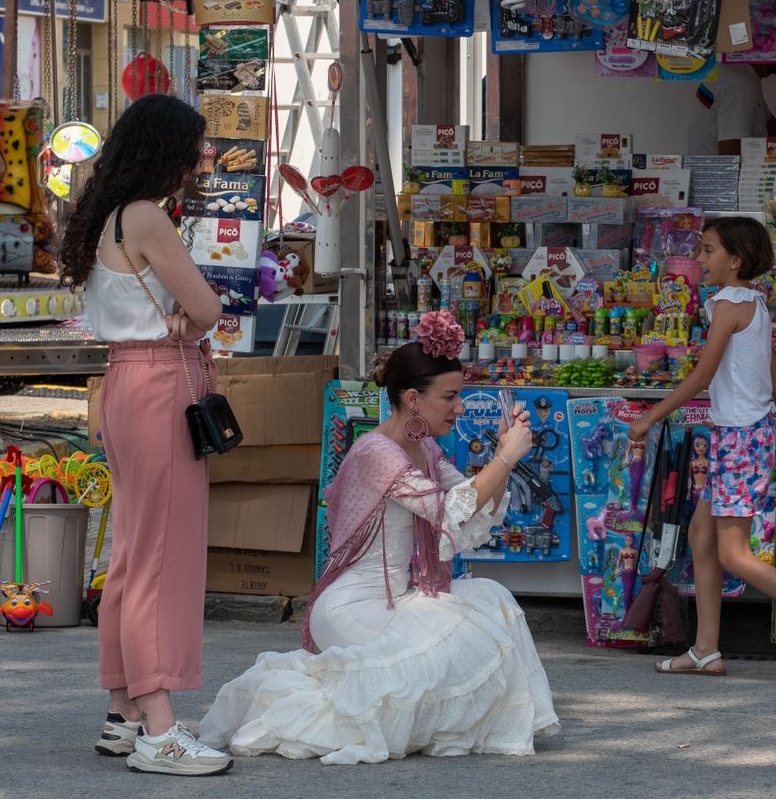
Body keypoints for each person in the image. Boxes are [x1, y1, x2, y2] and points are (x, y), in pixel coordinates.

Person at [198, 315, 559, 764]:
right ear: (412, 399)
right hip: (353, 606)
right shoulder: (376, 452)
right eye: (450, 396)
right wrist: (505, 457)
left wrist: (504, 458)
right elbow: (449, 510)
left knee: (490, 601)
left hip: (397, 599)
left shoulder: (423, 446)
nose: (460, 408)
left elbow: (468, 512)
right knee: (420, 670)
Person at [57, 95, 230, 775]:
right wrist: (191, 325)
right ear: (167, 151)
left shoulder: (107, 213)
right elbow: (207, 307)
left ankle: (124, 710)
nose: (196, 164)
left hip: (124, 385)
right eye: (193, 150)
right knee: (161, 558)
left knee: (132, 554)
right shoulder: (149, 217)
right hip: (162, 384)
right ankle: (160, 729)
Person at [628, 217, 776, 679]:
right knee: (700, 537)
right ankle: (706, 650)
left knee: (735, 554)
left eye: (707, 250)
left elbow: (701, 377)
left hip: (737, 438)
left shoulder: (727, 303)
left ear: (734, 260)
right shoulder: (755, 303)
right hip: (748, 435)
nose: (698, 260)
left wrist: (651, 416)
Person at [686, 63, 776, 156]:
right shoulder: (741, 83)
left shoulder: (739, 73)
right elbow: (730, 152)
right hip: (720, 183)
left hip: (710, 180)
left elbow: (773, 129)